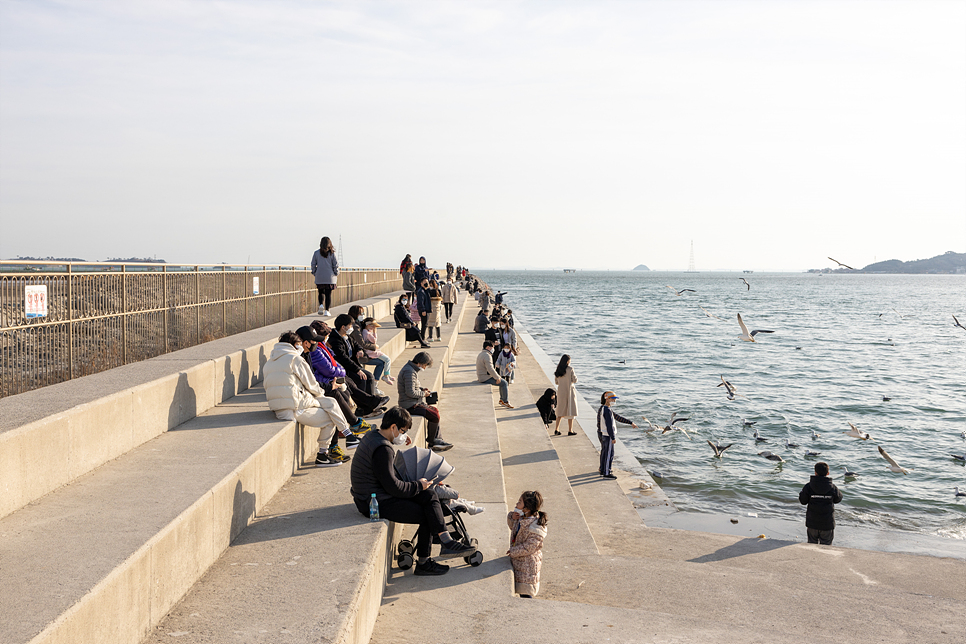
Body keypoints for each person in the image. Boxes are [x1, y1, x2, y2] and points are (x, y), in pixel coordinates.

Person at [349, 407, 477, 576]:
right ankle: (424, 562)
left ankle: (446, 540)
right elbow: (393, 487)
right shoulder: (383, 450)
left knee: (430, 496)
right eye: (402, 431)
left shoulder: (373, 436)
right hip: (373, 503)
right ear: (393, 427)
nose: (403, 435)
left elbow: (388, 480)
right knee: (427, 512)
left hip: (370, 496)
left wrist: (420, 487)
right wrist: (418, 485)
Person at [264, 330, 351, 467]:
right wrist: (323, 391)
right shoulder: (295, 359)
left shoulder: (270, 361)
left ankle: (348, 434)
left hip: (280, 407)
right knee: (330, 418)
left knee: (330, 403)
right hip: (296, 407)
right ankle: (323, 454)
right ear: (294, 344)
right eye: (298, 344)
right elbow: (312, 385)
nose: (300, 347)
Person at [295, 325, 371, 461]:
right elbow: (312, 381)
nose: (317, 343)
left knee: (342, 395)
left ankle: (339, 442)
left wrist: (330, 384)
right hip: (304, 395)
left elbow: (314, 378)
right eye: (314, 341)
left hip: (312, 389)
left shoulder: (307, 353)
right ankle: (350, 429)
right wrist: (330, 385)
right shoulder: (300, 358)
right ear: (305, 342)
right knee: (334, 398)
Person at [327, 314, 390, 415]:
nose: (351, 328)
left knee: (369, 376)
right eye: (350, 325)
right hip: (345, 369)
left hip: (352, 365)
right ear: (343, 327)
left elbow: (357, 345)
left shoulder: (346, 336)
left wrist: (360, 350)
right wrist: (357, 370)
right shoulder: (335, 340)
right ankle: (364, 408)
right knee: (361, 378)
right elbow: (343, 359)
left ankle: (370, 407)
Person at [397, 352, 453, 452]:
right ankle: (432, 442)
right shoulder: (409, 371)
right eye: (425, 365)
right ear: (420, 363)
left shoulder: (411, 369)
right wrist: (424, 394)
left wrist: (422, 390)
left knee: (434, 410)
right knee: (434, 415)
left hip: (413, 402)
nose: (425, 368)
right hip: (409, 405)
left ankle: (437, 438)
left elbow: (413, 387)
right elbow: (410, 392)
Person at [506, 490, 548, 598]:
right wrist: (512, 517)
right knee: (522, 593)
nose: (516, 504)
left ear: (527, 509)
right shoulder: (521, 518)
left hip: (528, 565)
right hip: (519, 561)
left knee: (526, 594)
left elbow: (529, 547)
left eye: (519, 502)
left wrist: (513, 551)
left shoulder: (536, 527)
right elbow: (512, 527)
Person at [799, 462, 843, 545]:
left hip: (812, 522)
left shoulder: (809, 486)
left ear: (815, 473)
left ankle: (812, 558)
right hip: (827, 523)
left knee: (812, 545)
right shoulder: (832, 487)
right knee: (826, 547)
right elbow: (838, 499)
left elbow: (803, 501)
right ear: (828, 473)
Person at [596, 391, 637, 479]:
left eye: (615, 399)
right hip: (607, 435)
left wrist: (630, 422)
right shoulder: (606, 410)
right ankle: (607, 473)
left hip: (602, 434)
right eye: (613, 399)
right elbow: (609, 425)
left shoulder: (603, 408)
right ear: (607, 399)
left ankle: (602, 469)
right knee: (609, 454)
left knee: (604, 453)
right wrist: (612, 437)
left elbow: (617, 417)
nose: (614, 401)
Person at [311, 237, 339, 317]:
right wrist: (336, 273)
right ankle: (327, 310)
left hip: (319, 276)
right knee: (328, 294)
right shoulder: (332, 253)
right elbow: (335, 265)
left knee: (320, 292)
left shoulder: (316, 253)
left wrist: (314, 272)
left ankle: (321, 305)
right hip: (330, 277)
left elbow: (313, 264)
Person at [361, 317, 394, 385]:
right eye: (373, 326)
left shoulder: (366, 331)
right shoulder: (366, 333)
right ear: (368, 325)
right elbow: (374, 340)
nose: (374, 327)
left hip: (372, 351)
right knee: (387, 360)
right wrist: (375, 332)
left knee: (385, 361)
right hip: (371, 353)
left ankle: (387, 374)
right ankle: (386, 376)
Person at [554, 354, 578, 436]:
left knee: (560, 410)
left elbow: (556, 382)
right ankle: (570, 430)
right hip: (569, 391)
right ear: (568, 361)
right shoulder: (570, 369)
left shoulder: (558, 369)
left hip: (561, 391)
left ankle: (556, 429)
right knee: (570, 410)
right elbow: (575, 380)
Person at [494, 342, 516, 409]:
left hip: (508, 371)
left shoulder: (511, 354)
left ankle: (504, 396)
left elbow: (514, 361)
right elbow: (498, 359)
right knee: (502, 384)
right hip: (502, 370)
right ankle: (502, 399)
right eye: (505, 348)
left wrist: (512, 363)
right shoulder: (501, 353)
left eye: (507, 348)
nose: (506, 349)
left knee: (507, 382)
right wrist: (497, 364)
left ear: (510, 349)